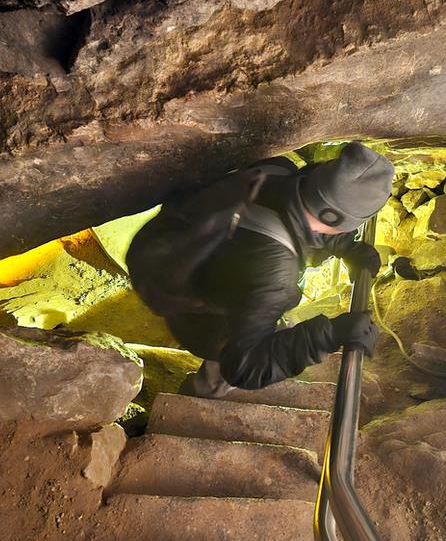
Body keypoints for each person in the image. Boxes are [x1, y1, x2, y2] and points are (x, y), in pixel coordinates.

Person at [142, 142, 394, 398]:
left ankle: (205, 385)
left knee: (255, 313)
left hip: (191, 275)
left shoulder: (277, 170)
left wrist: (347, 247)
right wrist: (328, 335)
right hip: (204, 324)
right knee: (253, 343)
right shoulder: (275, 274)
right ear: (335, 219)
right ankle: (204, 391)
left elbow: (298, 217)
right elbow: (244, 367)